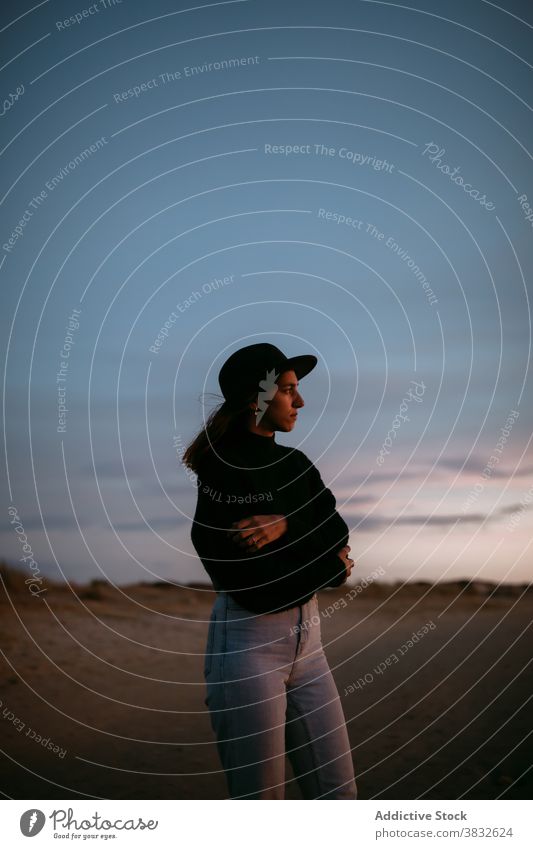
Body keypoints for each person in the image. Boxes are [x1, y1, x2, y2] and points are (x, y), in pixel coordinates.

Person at [183, 343, 357, 800]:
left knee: (339, 798)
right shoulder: (223, 471)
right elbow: (259, 586)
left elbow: (336, 528)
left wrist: (284, 525)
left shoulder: (296, 465)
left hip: (311, 649)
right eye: (286, 390)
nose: (299, 402)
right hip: (248, 649)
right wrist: (329, 567)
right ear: (254, 398)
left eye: (295, 390)